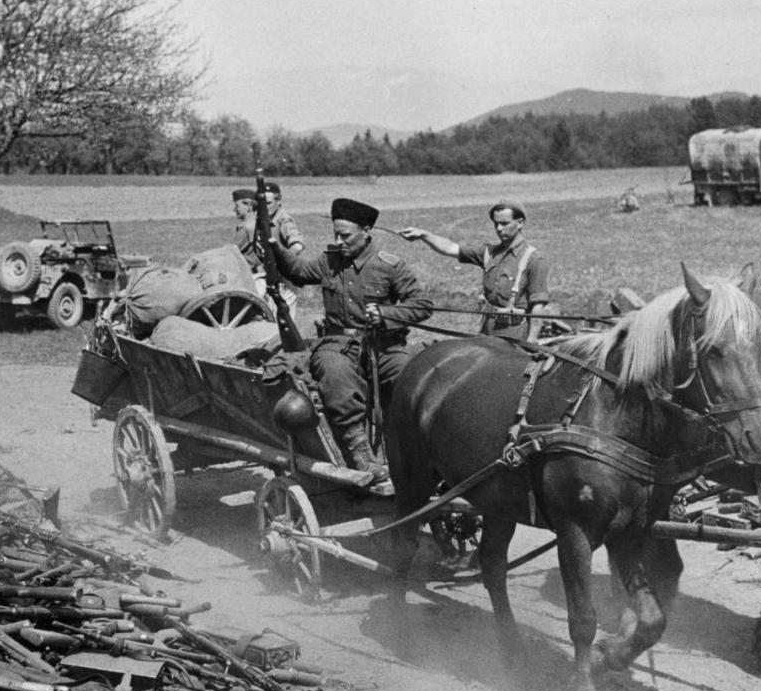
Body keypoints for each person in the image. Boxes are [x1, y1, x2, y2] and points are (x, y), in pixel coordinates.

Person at [274, 197, 433, 495]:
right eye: (336, 234)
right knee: (335, 375)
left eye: (345, 236)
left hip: (384, 346)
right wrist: (274, 247)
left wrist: (386, 314)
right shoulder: (330, 259)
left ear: (367, 231)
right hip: (337, 343)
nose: (339, 241)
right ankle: (360, 452)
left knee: (411, 376)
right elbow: (299, 272)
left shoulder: (389, 265)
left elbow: (422, 305)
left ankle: (418, 449)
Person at [398, 200, 554, 341]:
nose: (499, 229)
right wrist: (425, 235)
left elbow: (537, 307)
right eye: (496, 224)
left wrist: (531, 342)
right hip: (487, 330)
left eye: (505, 223)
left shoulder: (534, 259)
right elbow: (451, 248)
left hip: (515, 334)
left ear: (520, 223)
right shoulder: (489, 252)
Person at [231, 182, 303, 308]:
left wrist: (281, 263)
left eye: (269, 203)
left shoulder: (284, 220)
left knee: (284, 321)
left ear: (279, 201)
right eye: (262, 204)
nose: (265, 207)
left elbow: (297, 246)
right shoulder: (264, 220)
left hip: (284, 280)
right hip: (270, 278)